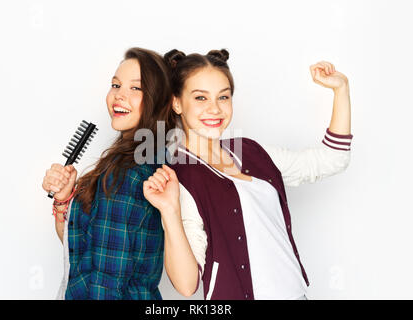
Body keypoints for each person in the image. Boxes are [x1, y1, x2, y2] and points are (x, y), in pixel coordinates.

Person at [143, 49, 353, 300]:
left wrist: (341, 90)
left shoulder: (251, 151)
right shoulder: (180, 177)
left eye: (223, 97)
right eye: (200, 98)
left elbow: (333, 159)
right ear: (177, 103)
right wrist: (170, 212)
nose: (215, 109)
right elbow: (187, 285)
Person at [41, 47, 172, 299]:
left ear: (158, 99)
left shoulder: (128, 173)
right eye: (115, 85)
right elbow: (83, 252)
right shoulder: (145, 160)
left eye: (136, 88)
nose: (119, 96)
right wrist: (64, 200)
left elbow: (106, 284)